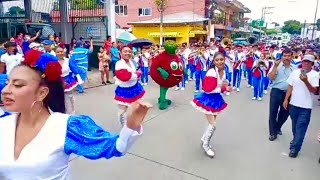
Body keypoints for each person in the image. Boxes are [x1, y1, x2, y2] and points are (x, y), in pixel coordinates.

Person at [0, 52, 152, 179]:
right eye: (7, 83)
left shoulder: (66, 128)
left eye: (18, 85)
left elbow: (116, 147)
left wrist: (131, 125)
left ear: (42, 93)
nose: (6, 90)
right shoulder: (3, 124)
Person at [191, 52, 231, 158]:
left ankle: (204, 138)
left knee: (212, 122)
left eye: (221, 59)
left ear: (224, 59)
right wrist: (223, 88)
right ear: (214, 61)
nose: (219, 61)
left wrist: (226, 86)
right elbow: (208, 90)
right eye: (217, 60)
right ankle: (206, 145)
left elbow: (223, 83)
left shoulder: (224, 71)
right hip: (207, 100)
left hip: (216, 99)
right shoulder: (212, 72)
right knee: (213, 125)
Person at [283, 54, 319, 158]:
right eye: (305, 61)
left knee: (301, 128)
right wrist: (286, 99)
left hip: (306, 107)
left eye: (309, 62)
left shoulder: (315, 75)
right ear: (302, 62)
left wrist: (306, 81)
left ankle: (295, 148)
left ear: (312, 64)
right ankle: (295, 140)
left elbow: (314, 91)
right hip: (293, 104)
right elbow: (290, 86)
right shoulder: (295, 72)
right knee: (295, 127)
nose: (306, 63)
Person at [267, 49, 294, 141]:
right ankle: (273, 133)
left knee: (285, 113)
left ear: (291, 56)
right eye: (285, 56)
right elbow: (271, 77)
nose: (286, 58)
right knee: (273, 112)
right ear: (282, 56)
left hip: (288, 93)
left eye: (288, 56)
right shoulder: (276, 65)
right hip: (276, 92)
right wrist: (275, 66)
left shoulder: (294, 68)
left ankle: (278, 127)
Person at [114, 46, 144, 127]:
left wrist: (138, 74)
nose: (127, 53)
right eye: (125, 51)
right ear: (120, 53)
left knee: (135, 109)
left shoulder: (132, 62)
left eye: (129, 51)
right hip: (123, 90)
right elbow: (125, 77)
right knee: (122, 111)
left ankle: (134, 123)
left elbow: (135, 73)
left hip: (134, 88)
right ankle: (124, 128)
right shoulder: (119, 64)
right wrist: (136, 74)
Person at [55, 47, 82, 114]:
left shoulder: (68, 60)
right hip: (57, 81)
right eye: (58, 52)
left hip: (68, 80)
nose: (60, 53)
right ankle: (62, 110)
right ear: (55, 53)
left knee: (70, 96)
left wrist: (79, 76)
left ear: (64, 52)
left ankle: (72, 110)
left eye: (61, 51)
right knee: (60, 97)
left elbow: (74, 69)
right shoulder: (53, 61)